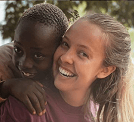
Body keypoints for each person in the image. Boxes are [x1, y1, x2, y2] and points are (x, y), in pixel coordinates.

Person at [1, 13, 134, 122]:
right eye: (65, 44)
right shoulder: (28, 106)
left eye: (83, 53)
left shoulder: (102, 114)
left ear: (105, 70)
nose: (65, 57)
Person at [0, 3, 68, 116]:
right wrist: (7, 87)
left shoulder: (65, 69)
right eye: (18, 50)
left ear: (58, 52)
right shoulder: (3, 61)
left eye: (38, 56)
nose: (24, 63)